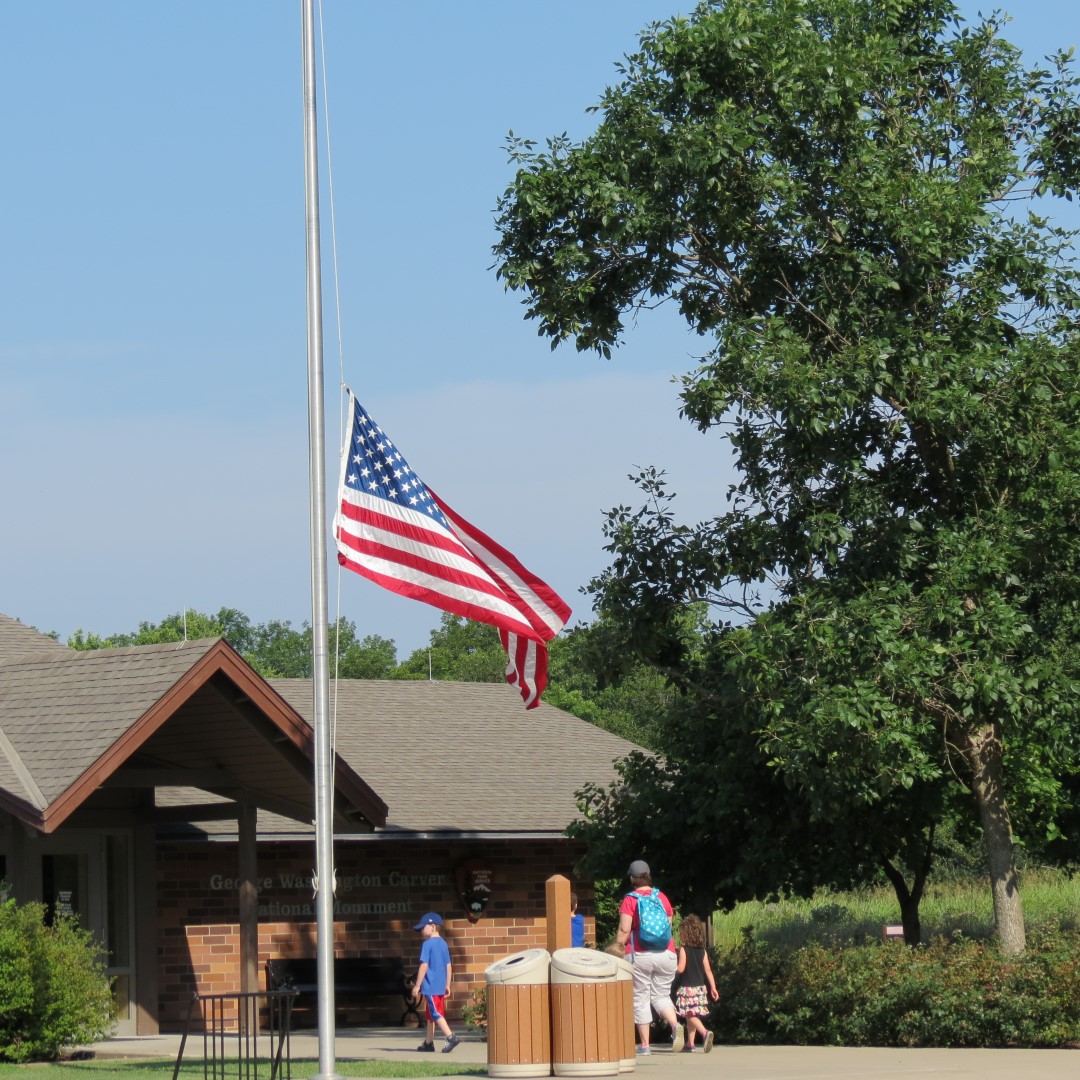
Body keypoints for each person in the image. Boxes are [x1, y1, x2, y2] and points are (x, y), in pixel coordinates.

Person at [615, 859, 684, 1056]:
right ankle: (674, 1024)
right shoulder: (661, 897)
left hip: (640, 956)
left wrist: (618, 948)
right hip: (667, 953)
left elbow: (624, 929)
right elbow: (668, 924)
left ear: (631, 878)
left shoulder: (631, 899)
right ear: (648, 876)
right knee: (661, 995)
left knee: (640, 998)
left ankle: (645, 1045)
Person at [411, 912, 460, 1053]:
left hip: (430, 986)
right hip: (439, 986)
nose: (421, 931)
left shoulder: (427, 945)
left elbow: (424, 965)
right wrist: (447, 985)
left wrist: (417, 985)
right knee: (430, 1016)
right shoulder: (443, 944)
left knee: (436, 1014)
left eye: (422, 928)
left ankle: (451, 1037)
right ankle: (428, 1043)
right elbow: (448, 965)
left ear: (432, 927)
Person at [674, 913, 718, 1052]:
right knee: (692, 1015)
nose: (680, 936)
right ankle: (690, 1043)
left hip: (688, 988)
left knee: (688, 1014)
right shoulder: (702, 951)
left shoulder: (683, 949)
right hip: (700, 988)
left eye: (681, 933)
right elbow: (708, 970)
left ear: (687, 934)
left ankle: (705, 1033)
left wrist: (670, 970)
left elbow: (681, 968)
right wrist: (713, 987)